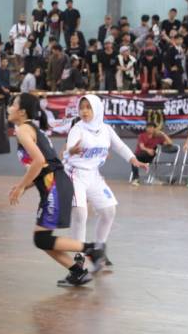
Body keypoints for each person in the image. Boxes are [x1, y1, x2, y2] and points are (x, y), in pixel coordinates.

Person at [8, 93, 106, 287]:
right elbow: (45, 166)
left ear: (22, 111)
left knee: (41, 239)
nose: (9, 108)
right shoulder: (31, 128)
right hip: (56, 184)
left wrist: (21, 187)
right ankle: (78, 272)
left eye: (13, 104)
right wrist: (26, 186)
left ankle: (92, 249)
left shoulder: (23, 130)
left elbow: (39, 161)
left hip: (55, 186)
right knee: (42, 239)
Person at [62, 95, 148, 279]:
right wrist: (71, 150)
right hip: (75, 173)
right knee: (80, 213)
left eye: (88, 107)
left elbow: (120, 147)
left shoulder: (106, 129)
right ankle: (79, 256)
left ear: (97, 109)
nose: (84, 111)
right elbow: (68, 149)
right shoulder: (77, 129)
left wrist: (134, 160)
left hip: (93, 174)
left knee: (109, 211)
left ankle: (99, 249)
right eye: (82, 107)